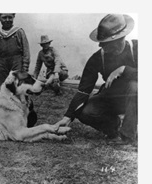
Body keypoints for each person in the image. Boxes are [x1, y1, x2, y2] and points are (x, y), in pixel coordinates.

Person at [56, 14, 137, 145]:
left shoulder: (137, 49)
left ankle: (128, 136)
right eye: (102, 43)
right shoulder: (98, 58)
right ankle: (113, 129)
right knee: (84, 111)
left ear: (122, 37)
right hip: (111, 98)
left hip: (136, 100)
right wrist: (68, 116)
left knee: (135, 87)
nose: (102, 46)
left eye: (108, 43)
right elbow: (83, 90)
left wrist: (124, 69)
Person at [0, 13, 30, 91]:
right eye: (4, 18)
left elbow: (26, 50)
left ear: (13, 17)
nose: (7, 20)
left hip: (16, 62)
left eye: (10, 17)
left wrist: (25, 66)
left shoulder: (19, 32)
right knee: (1, 87)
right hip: (2, 63)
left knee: (16, 86)